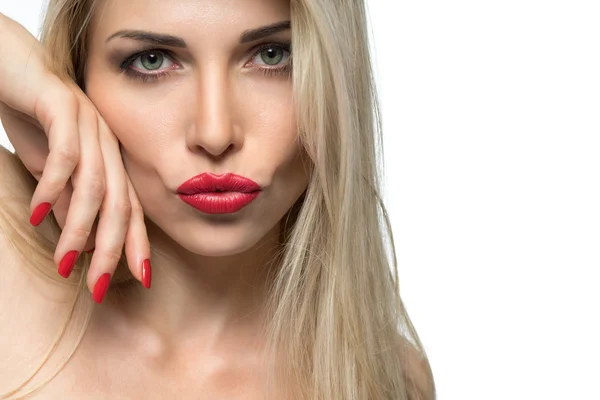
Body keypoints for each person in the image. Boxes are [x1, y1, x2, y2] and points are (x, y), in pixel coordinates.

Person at [0, 0, 435, 398]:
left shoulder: (387, 377)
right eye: (152, 61)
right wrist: (34, 78)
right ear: (81, 78)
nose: (215, 133)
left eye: (272, 55)